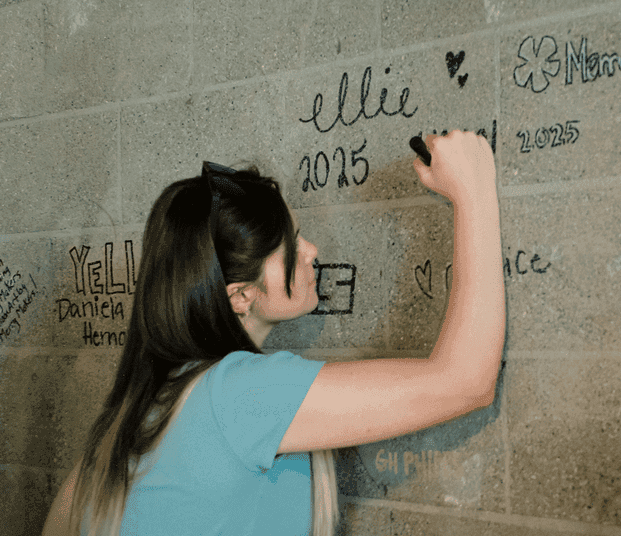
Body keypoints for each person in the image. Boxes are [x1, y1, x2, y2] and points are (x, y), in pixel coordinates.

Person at [41, 130, 505, 536]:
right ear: (241, 295)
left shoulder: (134, 414)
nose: (311, 251)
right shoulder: (238, 393)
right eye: (291, 242)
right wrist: (474, 191)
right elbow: (465, 381)